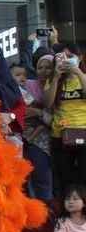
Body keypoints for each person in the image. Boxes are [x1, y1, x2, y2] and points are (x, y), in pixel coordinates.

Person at [43, 44, 86, 198]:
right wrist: (55, 77)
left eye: (70, 57)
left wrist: (79, 72)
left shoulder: (83, 75)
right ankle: (67, 214)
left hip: (83, 132)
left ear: (79, 58)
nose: (66, 60)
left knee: (83, 176)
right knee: (64, 177)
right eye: (63, 57)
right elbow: (47, 104)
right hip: (60, 135)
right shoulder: (54, 79)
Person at [16, 58, 53, 203]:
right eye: (40, 67)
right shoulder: (26, 88)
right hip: (21, 142)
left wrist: (38, 113)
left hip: (43, 145)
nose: (43, 71)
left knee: (43, 185)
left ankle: (48, 220)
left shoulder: (57, 88)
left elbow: (54, 119)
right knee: (22, 186)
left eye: (48, 67)